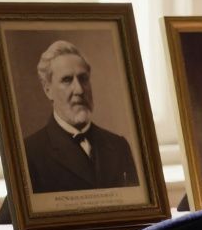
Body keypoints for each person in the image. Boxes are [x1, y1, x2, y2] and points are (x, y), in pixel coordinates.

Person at [24, 40, 139, 194]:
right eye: (67, 80)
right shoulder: (30, 152)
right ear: (48, 90)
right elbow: (8, 218)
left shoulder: (118, 146)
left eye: (83, 79)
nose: (79, 90)